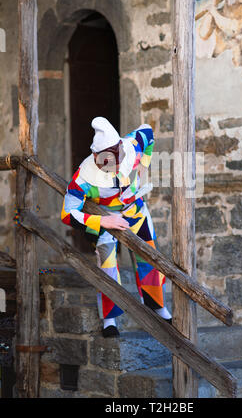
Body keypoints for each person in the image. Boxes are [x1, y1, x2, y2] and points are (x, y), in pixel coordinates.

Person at [61, 117, 172, 337]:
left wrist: (143, 166)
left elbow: (148, 132)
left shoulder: (131, 145)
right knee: (108, 264)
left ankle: (156, 304)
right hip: (104, 220)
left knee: (150, 256)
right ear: (96, 158)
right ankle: (110, 319)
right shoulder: (83, 178)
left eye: (120, 161)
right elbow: (66, 214)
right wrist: (103, 221)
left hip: (136, 211)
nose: (118, 167)